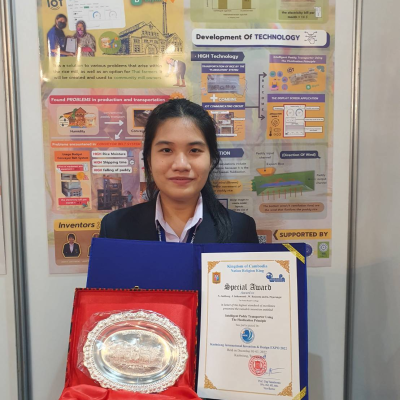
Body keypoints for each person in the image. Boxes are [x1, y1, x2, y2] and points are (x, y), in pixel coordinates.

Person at [100, 99, 258, 244]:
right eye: (166, 150)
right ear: (148, 160)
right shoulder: (114, 229)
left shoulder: (241, 230)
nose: (181, 165)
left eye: (194, 150)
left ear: (211, 160)